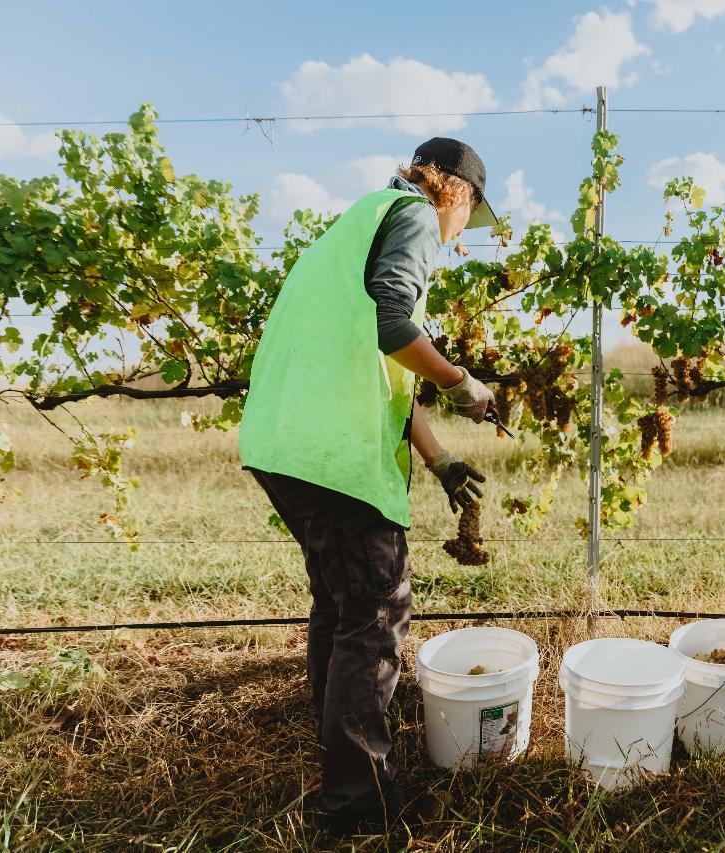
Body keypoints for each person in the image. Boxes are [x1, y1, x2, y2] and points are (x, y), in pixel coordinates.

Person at [238, 138, 499, 828]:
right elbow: (392, 327)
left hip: (283, 441)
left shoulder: (361, 221)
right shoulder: (412, 216)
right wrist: (463, 380)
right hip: (335, 451)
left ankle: (333, 744)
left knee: (341, 600)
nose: (460, 232)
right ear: (455, 191)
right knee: (379, 607)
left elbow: (381, 368)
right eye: (467, 214)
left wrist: (440, 459)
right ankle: (359, 801)